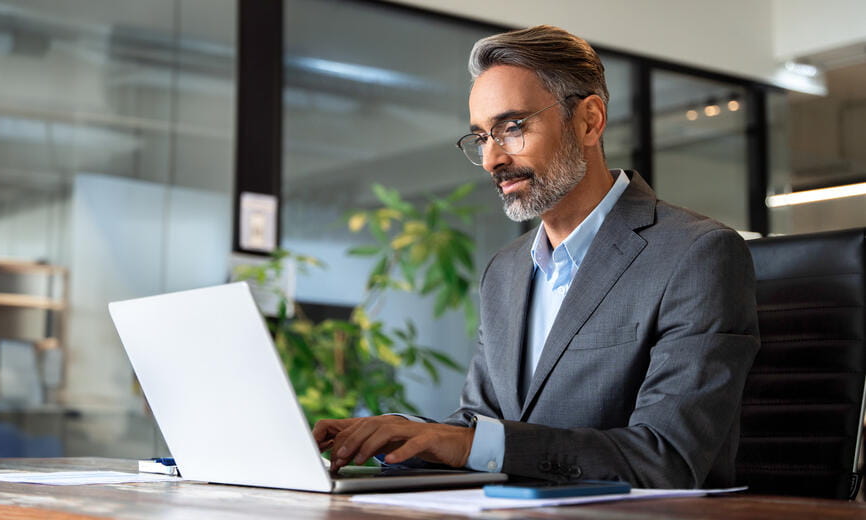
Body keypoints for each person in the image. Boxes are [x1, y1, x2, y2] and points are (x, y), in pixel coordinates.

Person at [312, 25, 760, 489]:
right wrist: (399, 437)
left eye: (512, 127)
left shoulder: (697, 254)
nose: (491, 159)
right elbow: (481, 423)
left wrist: (465, 444)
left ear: (589, 121)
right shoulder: (505, 270)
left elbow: (665, 458)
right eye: (482, 137)